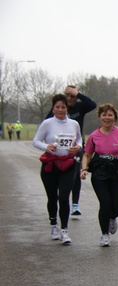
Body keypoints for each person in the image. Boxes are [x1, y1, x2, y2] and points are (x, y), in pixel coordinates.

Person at [80, 103, 118, 247]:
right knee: (105, 203)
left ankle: (112, 217)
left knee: (117, 207)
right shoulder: (94, 136)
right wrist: (84, 169)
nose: (107, 117)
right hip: (100, 172)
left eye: (110, 115)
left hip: (117, 171)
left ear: (115, 118)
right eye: (104, 115)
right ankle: (104, 234)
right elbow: (86, 154)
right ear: (100, 117)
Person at [32, 94, 83, 244]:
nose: (60, 110)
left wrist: (78, 147)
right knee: (52, 197)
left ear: (67, 108)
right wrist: (46, 146)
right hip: (51, 165)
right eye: (57, 107)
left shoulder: (74, 124)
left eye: (63, 107)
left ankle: (65, 231)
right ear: (53, 109)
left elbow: (79, 138)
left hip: (68, 165)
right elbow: (36, 141)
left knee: (64, 197)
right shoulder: (47, 124)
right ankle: (54, 225)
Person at [47, 85, 97, 216]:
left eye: (72, 96)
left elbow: (92, 104)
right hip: (59, 148)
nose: (69, 98)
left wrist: (78, 94)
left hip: (76, 147)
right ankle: (61, 196)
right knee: (58, 173)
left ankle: (75, 205)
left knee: (75, 174)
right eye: (67, 96)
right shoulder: (59, 109)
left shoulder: (80, 107)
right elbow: (46, 122)